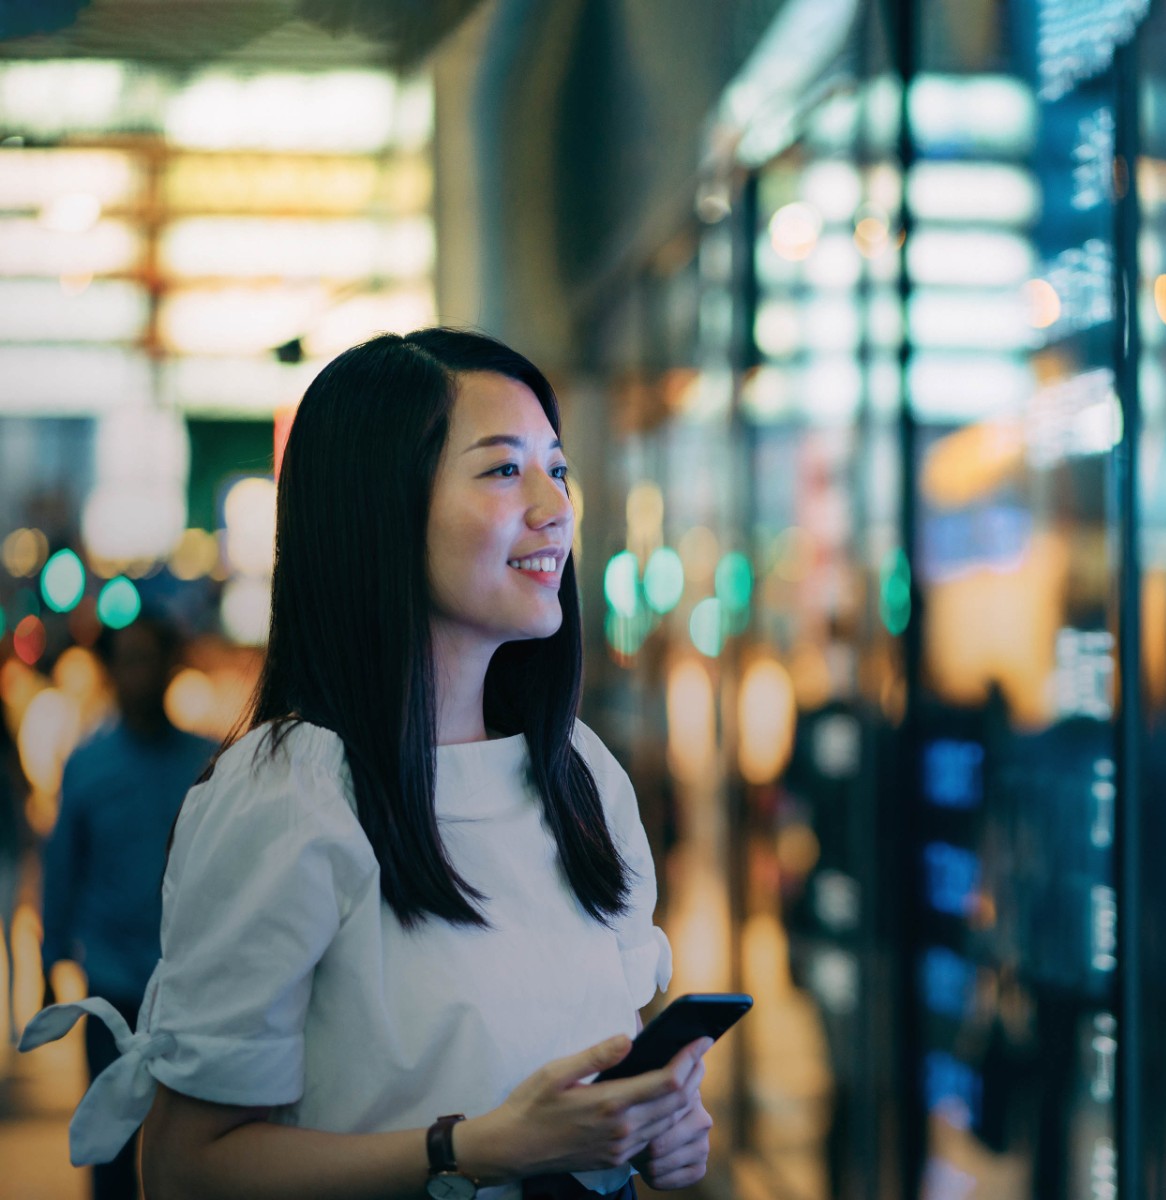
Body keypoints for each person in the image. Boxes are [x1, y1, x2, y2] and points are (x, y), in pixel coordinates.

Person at [19, 329, 711, 1200]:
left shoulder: (580, 773)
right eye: (503, 470)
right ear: (380, 507)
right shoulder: (290, 792)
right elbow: (185, 1169)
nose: (556, 505)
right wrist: (471, 1148)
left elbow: (605, 1078)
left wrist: (659, 1133)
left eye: (557, 467)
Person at [39, 610, 216, 1200]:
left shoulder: (209, 761)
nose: (141, 672)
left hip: (191, 988)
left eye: (151, 657)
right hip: (114, 983)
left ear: (171, 666)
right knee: (112, 1146)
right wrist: (50, 957)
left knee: (192, 1141)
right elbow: (62, 868)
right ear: (112, 671)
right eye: (129, 659)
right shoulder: (88, 764)